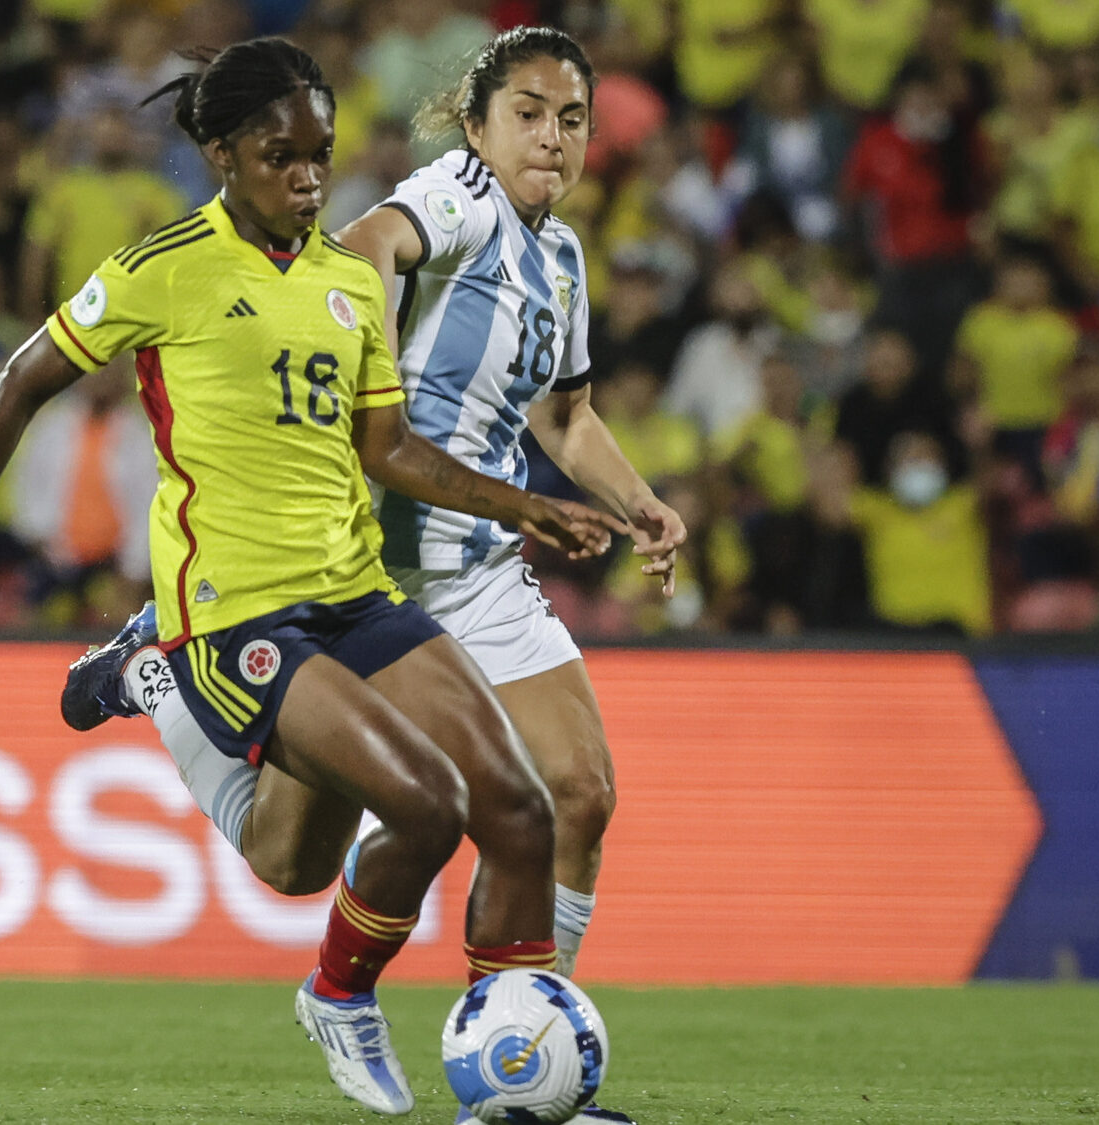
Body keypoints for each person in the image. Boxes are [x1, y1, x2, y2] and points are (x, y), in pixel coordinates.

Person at [0, 38, 622, 1119]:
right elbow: (18, 383)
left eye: (320, 156)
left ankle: (517, 1099)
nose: (306, 178)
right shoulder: (165, 269)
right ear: (221, 155)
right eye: (279, 156)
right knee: (425, 807)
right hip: (239, 614)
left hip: (358, 597)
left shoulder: (347, 283)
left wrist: (521, 501)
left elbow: (387, 451)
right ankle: (334, 989)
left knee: (515, 816)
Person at [65, 29, 686, 1122]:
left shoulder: (561, 258)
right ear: (477, 123)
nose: (551, 136)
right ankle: (155, 679)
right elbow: (365, 245)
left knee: (574, 795)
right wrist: (353, 377)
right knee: (298, 856)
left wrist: (635, 502)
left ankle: (522, 1064)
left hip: (481, 565)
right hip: (376, 561)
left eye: (572, 118)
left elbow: (566, 415)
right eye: (529, 113)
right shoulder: (451, 197)